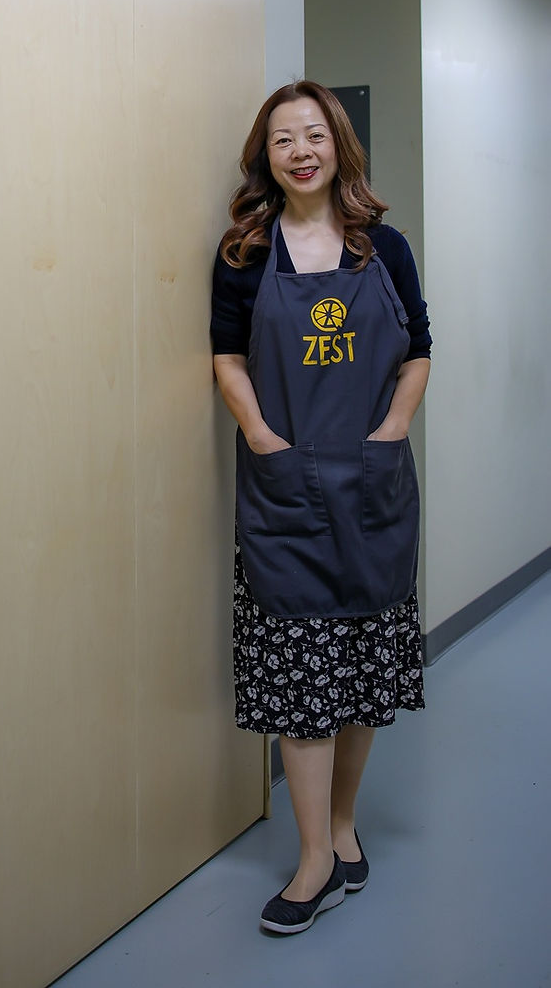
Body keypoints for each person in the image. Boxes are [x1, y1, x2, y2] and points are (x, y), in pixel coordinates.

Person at [210, 81, 430, 936]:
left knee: (362, 676)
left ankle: (342, 826)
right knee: (301, 674)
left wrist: (394, 426)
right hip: (286, 486)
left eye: (313, 133)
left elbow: (417, 348)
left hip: (370, 483)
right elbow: (228, 358)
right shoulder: (243, 253)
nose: (300, 150)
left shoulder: (387, 249)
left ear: (338, 142)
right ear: (264, 159)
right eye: (281, 140)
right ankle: (312, 859)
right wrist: (262, 434)